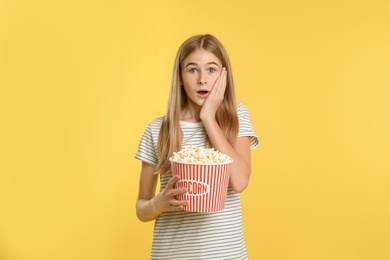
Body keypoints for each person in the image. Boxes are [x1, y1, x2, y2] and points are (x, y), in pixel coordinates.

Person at [135, 34, 259, 260]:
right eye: (192, 70)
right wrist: (159, 203)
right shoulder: (158, 129)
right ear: (180, 77)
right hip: (171, 254)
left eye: (211, 69)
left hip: (226, 255)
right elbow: (141, 209)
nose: (202, 79)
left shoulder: (236, 116)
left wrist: (209, 118)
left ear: (224, 75)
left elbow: (240, 181)